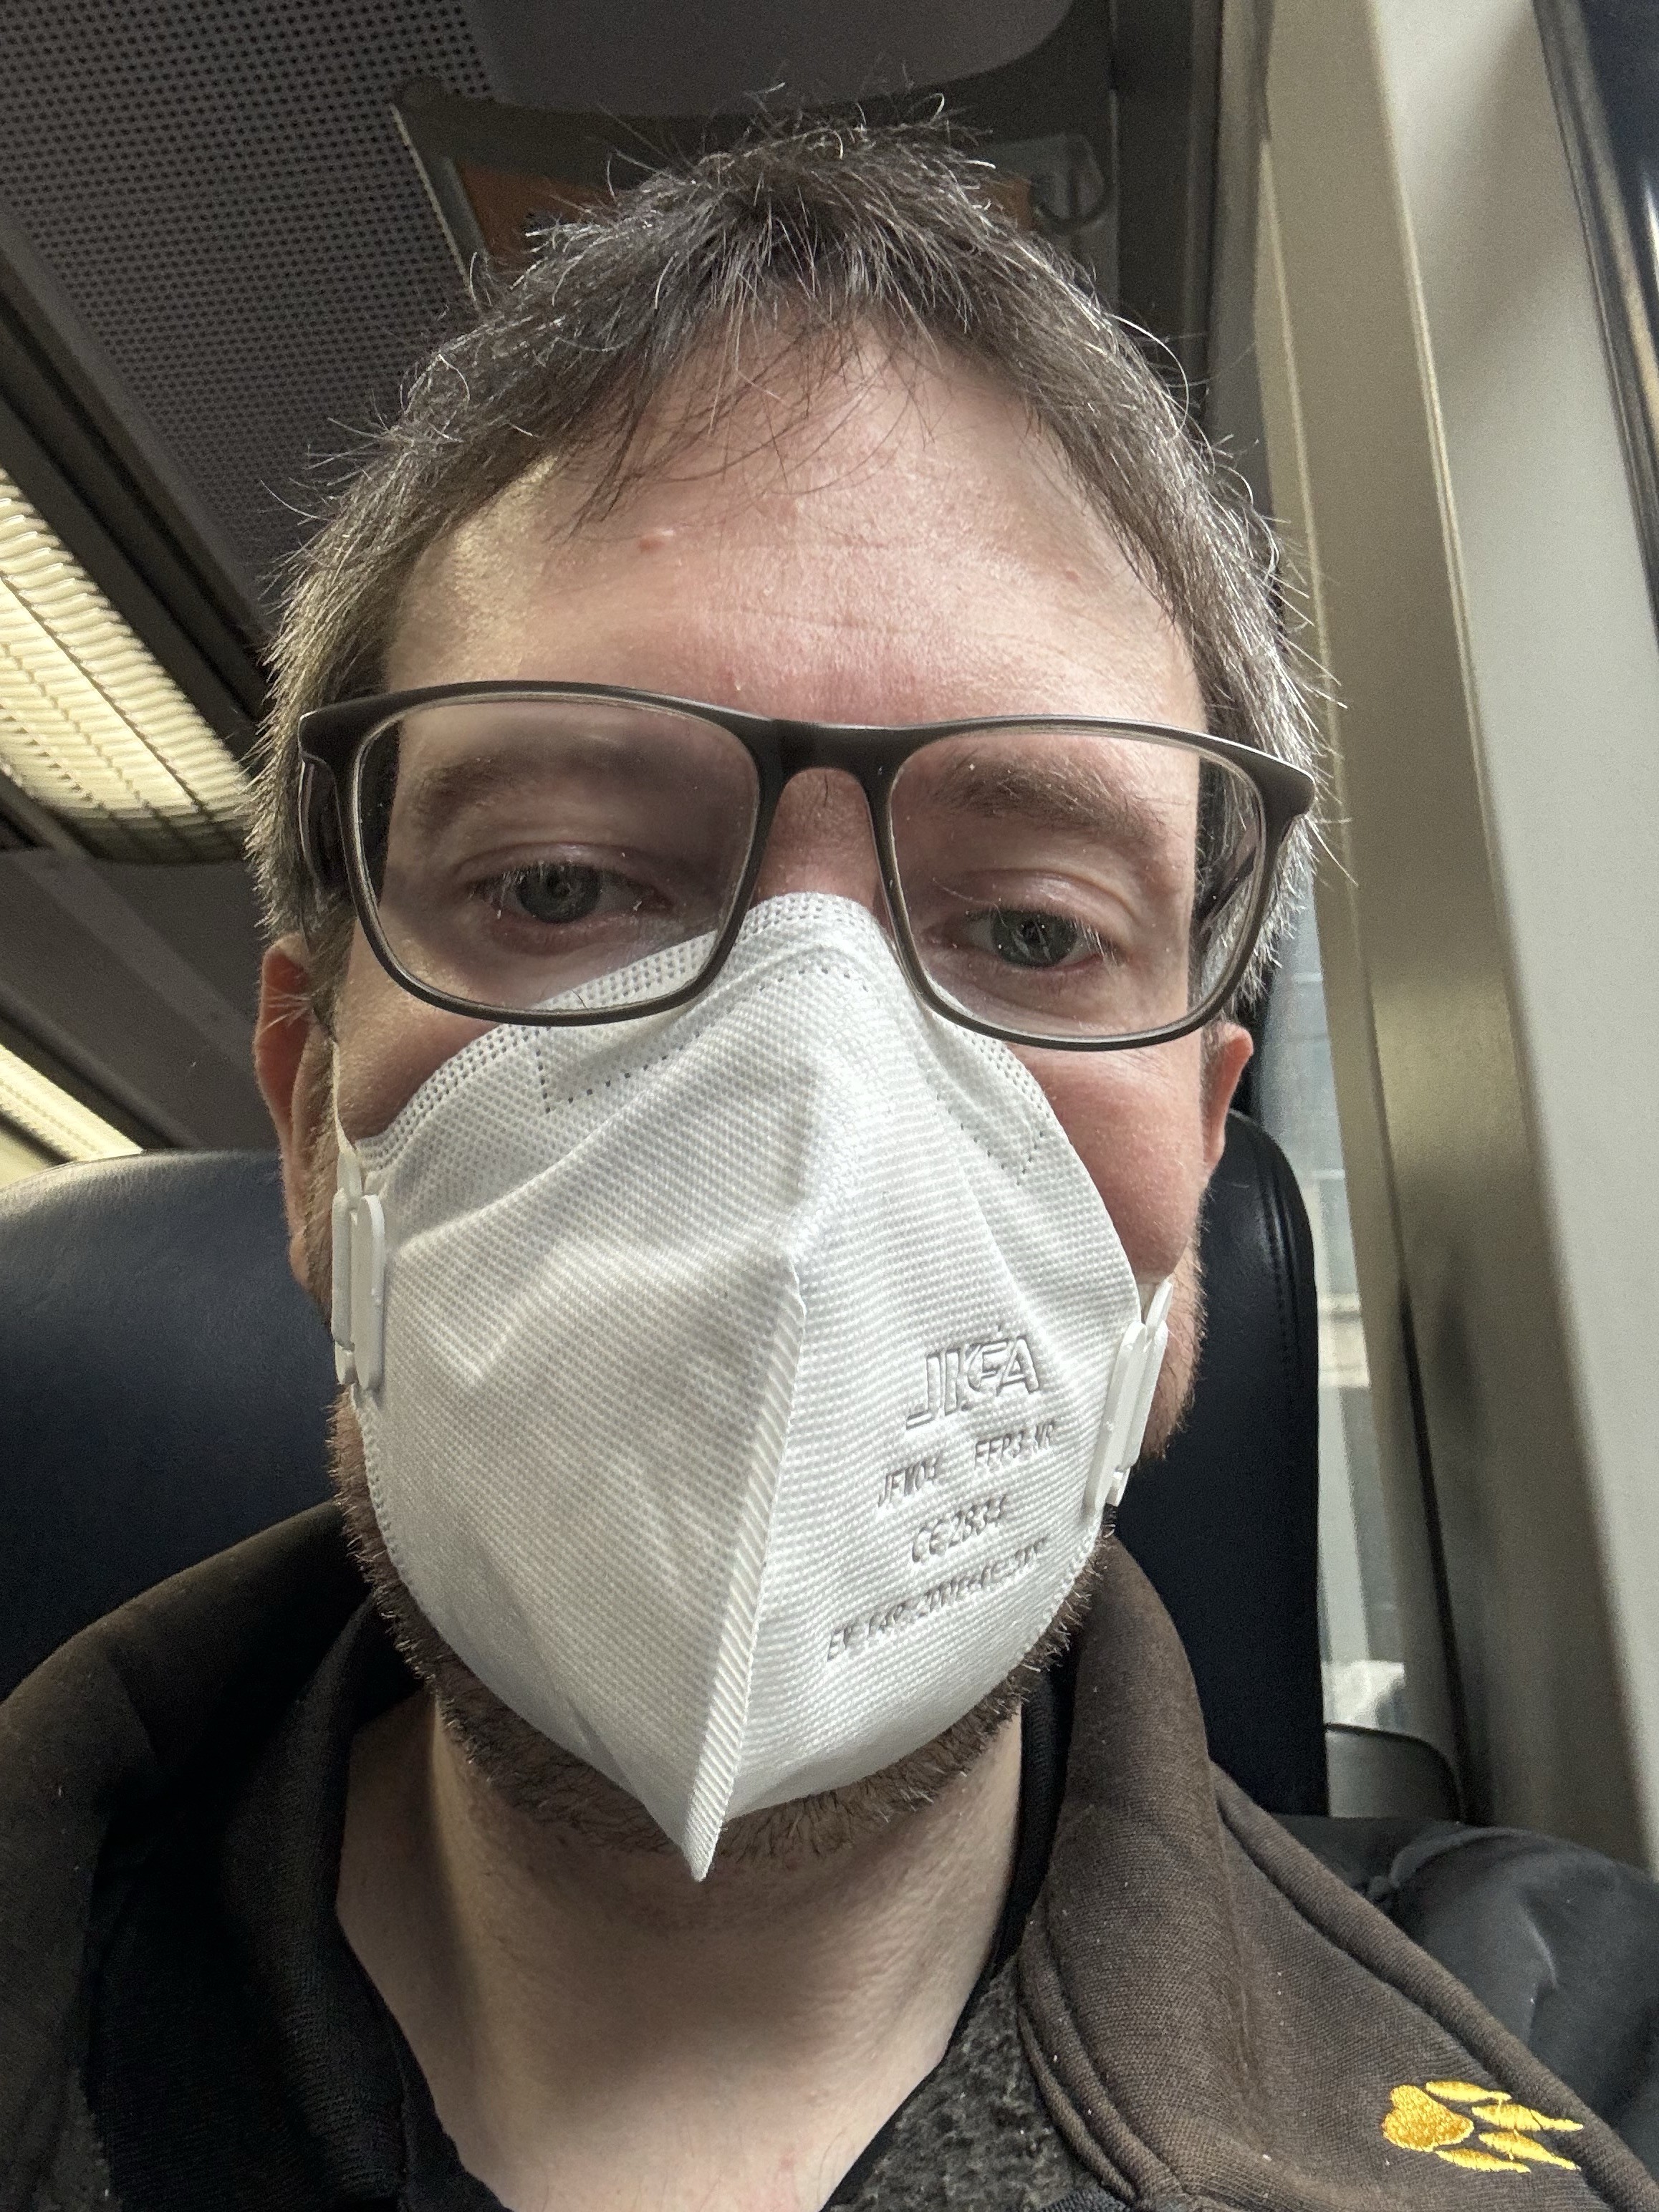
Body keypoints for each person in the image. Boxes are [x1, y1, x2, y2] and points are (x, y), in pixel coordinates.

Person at [2, 122, 1656, 2212]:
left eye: (1033, 926)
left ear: (1183, 1208)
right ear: (314, 1125)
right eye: (565, 881)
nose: (804, 1132)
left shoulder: (1578, 2058)